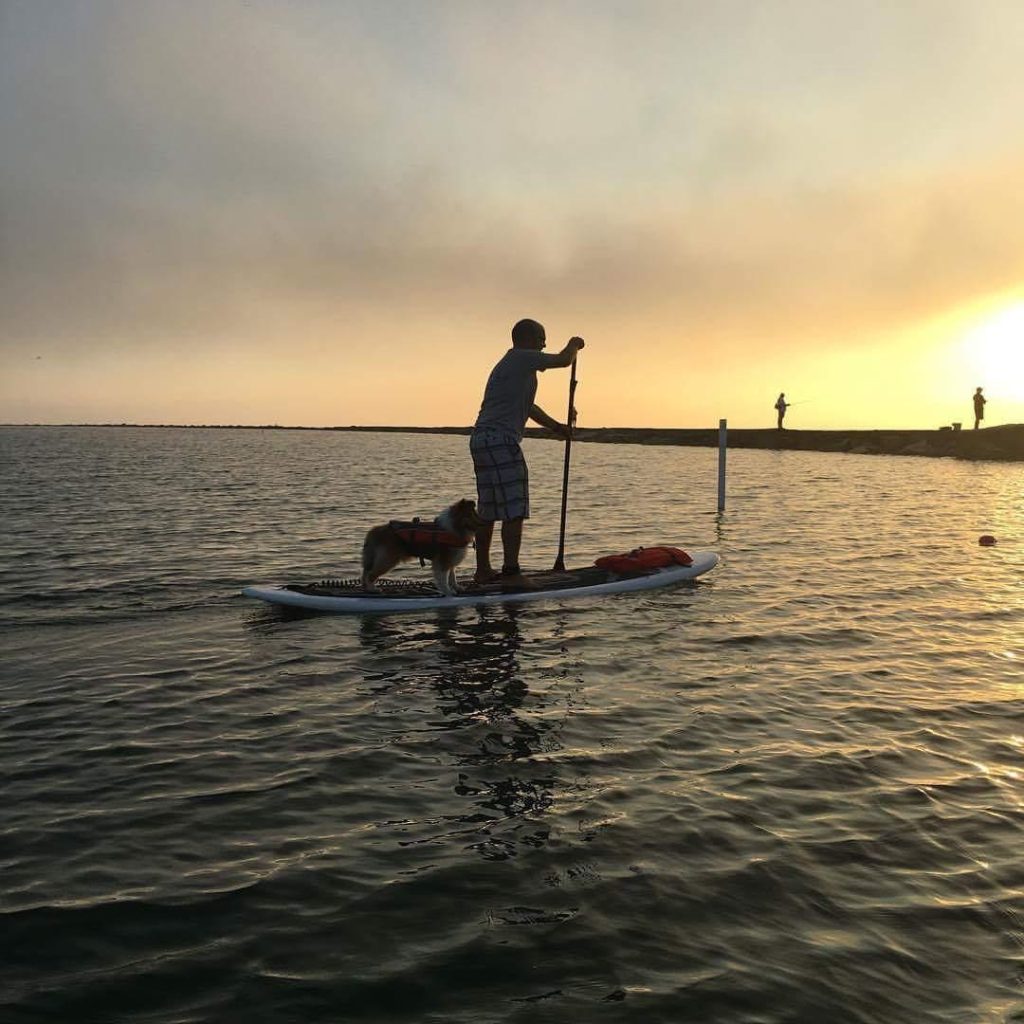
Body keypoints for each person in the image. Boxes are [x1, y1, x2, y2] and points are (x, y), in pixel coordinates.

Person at [470, 319, 585, 588]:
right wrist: (574, 344)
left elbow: (528, 408)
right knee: (514, 507)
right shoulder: (520, 358)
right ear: (528, 338)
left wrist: (557, 427)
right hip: (501, 441)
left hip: (481, 440)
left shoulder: (512, 367)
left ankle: (483, 571)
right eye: (541, 338)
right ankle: (511, 572)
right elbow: (563, 360)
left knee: (488, 509)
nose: (544, 344)